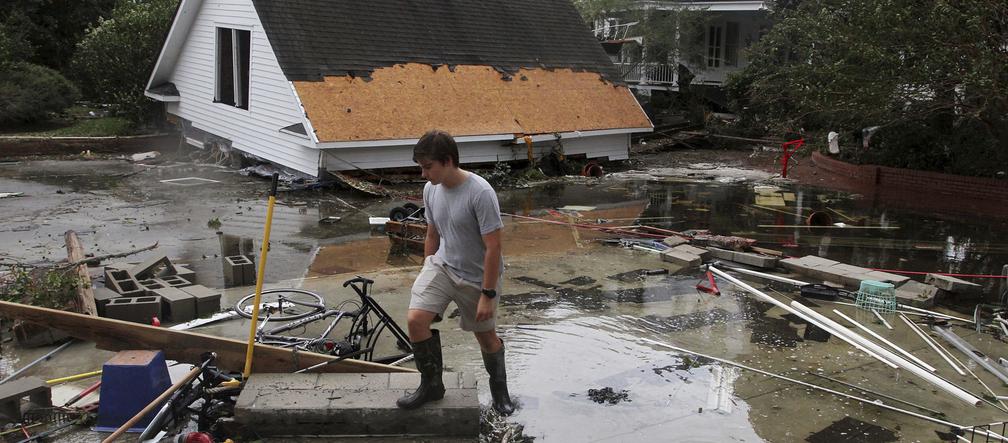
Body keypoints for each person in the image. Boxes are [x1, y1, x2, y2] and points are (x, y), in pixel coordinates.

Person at [397, 129, 515, 415]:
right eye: (421, 168)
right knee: (416, 320)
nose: (423, 175)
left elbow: (494, 248)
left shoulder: (481, 193)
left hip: (478, 276)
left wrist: (487, 294)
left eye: (428, 167)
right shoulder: (430, 190)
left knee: (485, 337)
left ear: (448, 161)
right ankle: (432, 386)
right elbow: (432, 234)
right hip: (444, 266)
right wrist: (427, 269)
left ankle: (501, 391)